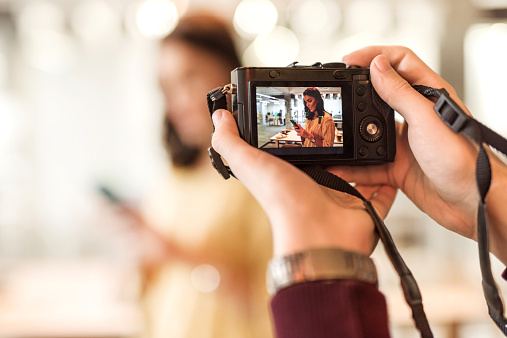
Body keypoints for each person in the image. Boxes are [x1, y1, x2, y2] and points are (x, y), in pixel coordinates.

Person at [210, 45, 507, 337]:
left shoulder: (325, 119)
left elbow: (321, 141)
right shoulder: (311, 119)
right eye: (307, 102)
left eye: (312, 101)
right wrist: (489, 193)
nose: (309, 105)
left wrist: (480, 189)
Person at [134, 13, 273, 338]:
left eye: (189, 77)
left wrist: (177, 254)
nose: (176, 102)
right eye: (167, 87)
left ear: (230, 75)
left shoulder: (260, 174)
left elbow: (270, 296)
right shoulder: (172, 176)